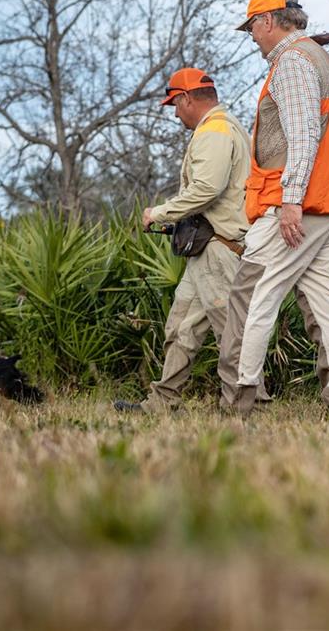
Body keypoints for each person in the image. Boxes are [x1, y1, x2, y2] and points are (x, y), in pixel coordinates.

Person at [229, 0, 329, 416]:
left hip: (304, 205)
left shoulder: (292, 63)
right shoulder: (321, 59)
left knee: (256, 295)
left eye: (251, 26)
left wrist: (291, 201)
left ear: (268, 21)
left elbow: (304, 135)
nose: (251, 36)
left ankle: (242, 396)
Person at [114, 68, 252, 414]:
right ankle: (162, 403)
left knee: (232, 336)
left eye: (175, 104)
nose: (175, 113)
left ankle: (247, 407)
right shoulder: (224, 127)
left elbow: (207, 188)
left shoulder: (215, 131)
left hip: (219, 248)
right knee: (182, 327)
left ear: (187, 98)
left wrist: (160, 213)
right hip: (206, 248)